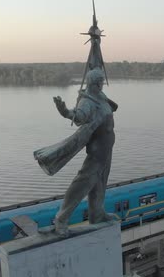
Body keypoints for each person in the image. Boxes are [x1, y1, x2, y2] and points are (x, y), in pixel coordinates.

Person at [34, 68, 118, 237]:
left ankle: (97, 214)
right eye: (100, 82)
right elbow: (78, 116)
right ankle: (61, 219)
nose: (103, 85)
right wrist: (64, 111)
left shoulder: (100, 96)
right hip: (97, 152)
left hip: (106, 150)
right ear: (93, 83)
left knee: (99, 184)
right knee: (81, 185)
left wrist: (95, 43)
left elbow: (95, 61)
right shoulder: (87, 101)